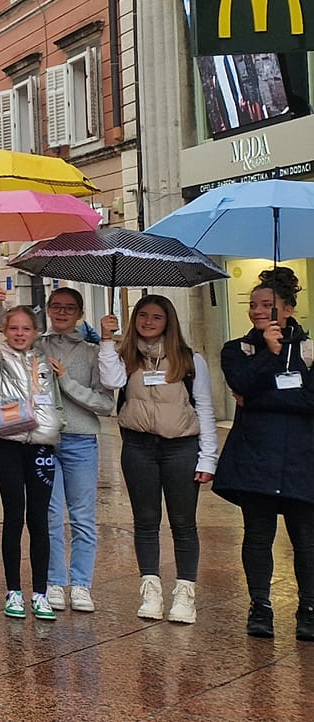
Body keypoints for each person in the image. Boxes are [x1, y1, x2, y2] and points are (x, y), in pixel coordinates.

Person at [98, 294, 215, 625]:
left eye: (156, 317)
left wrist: (208, 459)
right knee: (146, 522)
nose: (148, 322)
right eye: (142, 316)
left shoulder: (190, 360)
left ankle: (184, 593)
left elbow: (204, 408)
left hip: (181, 447)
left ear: (169, 322)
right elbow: (111, 382)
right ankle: (150, 589)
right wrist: (107, 340)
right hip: (138, 447)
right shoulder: (125, 358)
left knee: (183, 523)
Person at [215, 267, 314, 640]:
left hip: (302, 457)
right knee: (258, 535)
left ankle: (308, 608)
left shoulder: (309, 351)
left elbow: (309, 400)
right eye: (253, 304)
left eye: (267, 305)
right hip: (255, 457)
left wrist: (260, 397)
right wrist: (270, 355)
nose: (257, 311)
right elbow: (240, 383)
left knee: (306, 538)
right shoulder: (236, 349)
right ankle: (261, 605)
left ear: (287, 309)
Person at [0, 273, 63, 620]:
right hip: (10, 445)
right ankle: (13, 590)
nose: (21, 334)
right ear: (5, 331)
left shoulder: (45, 362)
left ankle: (40, 592)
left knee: (39, 519)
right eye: (14, 329)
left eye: (27, 329)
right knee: (13, 517)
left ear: (36, 332)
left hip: (41, 446)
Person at [38, 287, 117, 613]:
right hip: (45, 440)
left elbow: (105, 404)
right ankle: (55, 581)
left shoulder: (91, 352)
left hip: (81, 441)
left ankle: (81, 583)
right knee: (51, 516)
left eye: (69, 308)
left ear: (79, 313)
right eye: (55, 306)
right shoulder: (37, 346)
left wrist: (66, 381)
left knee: (83, 517)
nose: (61, 312)